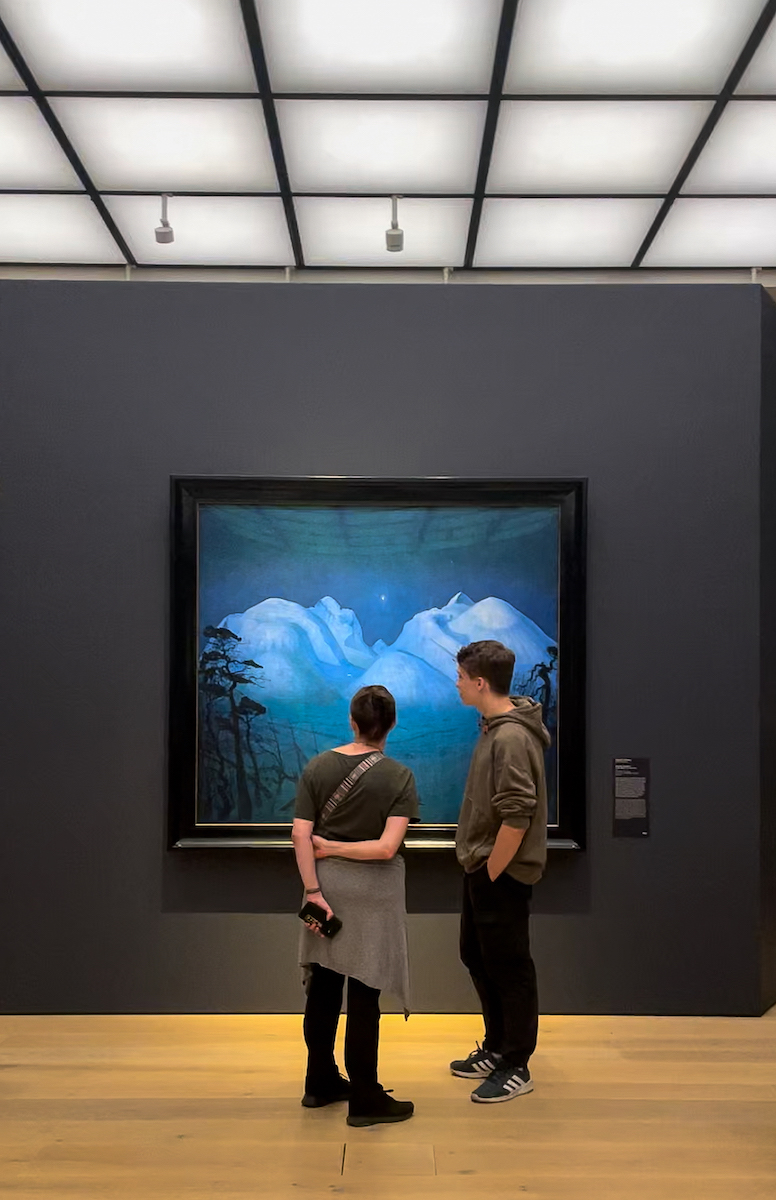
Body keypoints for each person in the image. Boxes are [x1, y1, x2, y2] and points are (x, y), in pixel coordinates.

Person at [291, 684, 418, 1127]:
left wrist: (313, 890)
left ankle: (319, 1082)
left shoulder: (318, 766)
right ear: (392, 724)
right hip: (375, 895)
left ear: (352, 721)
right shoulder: (399, 776)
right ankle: (365, 1097)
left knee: (323, 986)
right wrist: (342, 849)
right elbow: (386, 848)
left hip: (325, 890)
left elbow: (300, 835)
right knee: (365, 992)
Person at [450, 639, 550, 1103]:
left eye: (460, 677)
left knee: (510, 967)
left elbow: (518, 813)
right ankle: (496, 1047)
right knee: (478, 955)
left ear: (480, 683)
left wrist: (491, 871)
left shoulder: (509, 737)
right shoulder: (493, 728)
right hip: (483, 867)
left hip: (500, 873)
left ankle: (516, 1063)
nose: (456, 684)